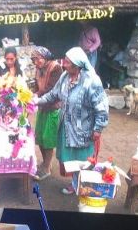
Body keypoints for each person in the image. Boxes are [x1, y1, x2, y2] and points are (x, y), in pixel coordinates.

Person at [37, 47, 109, 194]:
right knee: (71, 158)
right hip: (67, 126)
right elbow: (53, 95)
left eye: (68, 62)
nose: (64, 64)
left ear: (77, 64)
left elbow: (102, 107)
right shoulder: (65, 77)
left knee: (83, 158)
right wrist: (36, 101)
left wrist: (98, 128)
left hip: (85, 128)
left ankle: (85, 184)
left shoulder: (91, 81)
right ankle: (76, 183)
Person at [30, 46, 62, 181]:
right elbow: (37, 87)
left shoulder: (56, 68)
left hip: (53, 107)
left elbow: (52, 89)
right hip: (42, 106)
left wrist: (36, 96)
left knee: (48, 139)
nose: (36, 63)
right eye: (34, 60)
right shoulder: (39, 69)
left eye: (37, 59)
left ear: (45, 56)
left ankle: (47, 168)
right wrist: (33, 94)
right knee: (41, 138)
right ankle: (44, 163)